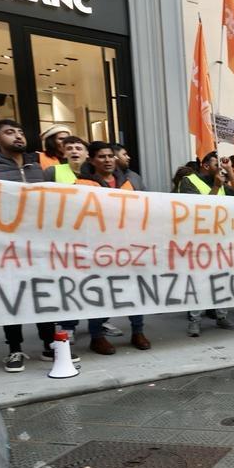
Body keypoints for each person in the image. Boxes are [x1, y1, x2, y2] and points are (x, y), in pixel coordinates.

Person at [0, 119, 61, 371]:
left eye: (20, 131)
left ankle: (49, 344)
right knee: (13, 296)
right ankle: (14, 349)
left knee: (43, 293)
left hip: (39, 242)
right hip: (6, 243)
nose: (18, 136)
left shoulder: (36, 167)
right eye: (10, 132)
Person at [74, 142, 150, 354]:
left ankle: (138, 331)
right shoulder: (82, 184)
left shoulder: (128, 181)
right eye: (101, 157)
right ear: (91, 160)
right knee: (99, 292)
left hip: (129, 245)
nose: (107, 160)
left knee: (134, 290)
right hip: (99, 248)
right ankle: (97, 336)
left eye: (110, 156)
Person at [181, 151, 234, 336]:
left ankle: (222, 316)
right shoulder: (188, 181)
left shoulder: (222, 180)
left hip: (220, 238)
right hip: (198, 241)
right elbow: (198, 209)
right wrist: (216, 187)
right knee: (198, 280)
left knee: (222, 278)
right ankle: (195, 320)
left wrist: (230, 172)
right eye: (218, 164)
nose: (221, 167)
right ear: (206, 165)